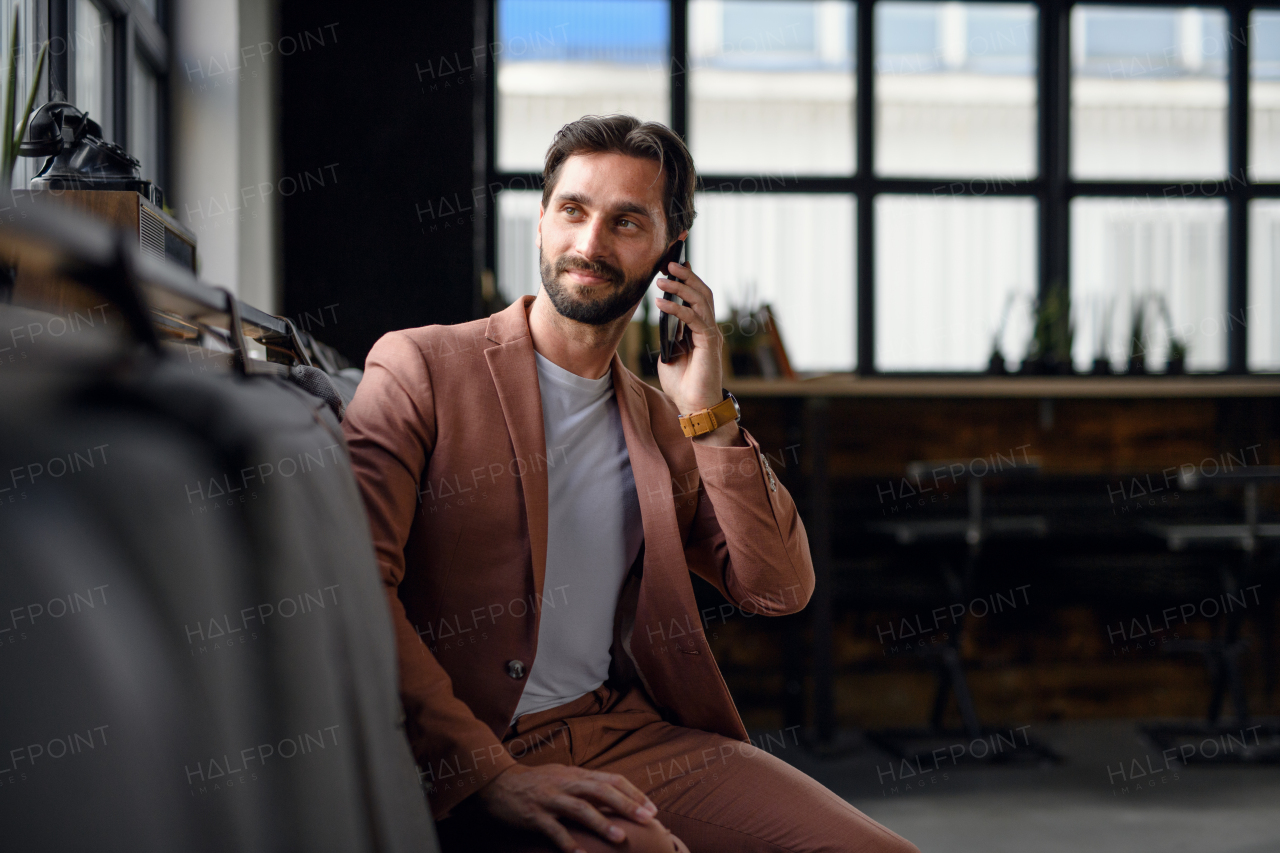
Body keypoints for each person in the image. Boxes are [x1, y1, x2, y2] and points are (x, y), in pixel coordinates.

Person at [343, 114, 918, 853]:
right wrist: (487, 773)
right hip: (458, 744)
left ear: (670, 252)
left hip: (620, 732)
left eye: (626, 221)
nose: (589, 243)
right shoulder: (420, 367)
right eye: (573, 211)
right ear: (543, 219)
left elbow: (777, 587)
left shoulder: (660, 420)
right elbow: (355, 583)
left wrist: (708, 414)